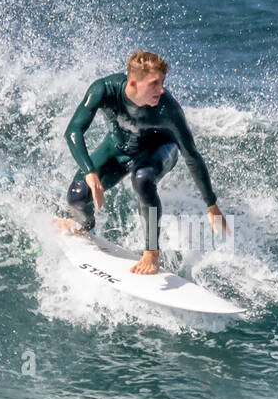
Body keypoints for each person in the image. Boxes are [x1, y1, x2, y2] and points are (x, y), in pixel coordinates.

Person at [54, 51, 230, 275]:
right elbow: (73, 130)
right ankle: (84, 227)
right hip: (119, 147)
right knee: (77, 196)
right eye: (155, 84)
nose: (162, 90)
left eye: (163, 82)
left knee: (143, 179)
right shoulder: (104, 90)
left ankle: (152, 253)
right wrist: (90, 172)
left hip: (158, 149)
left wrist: (211, 203)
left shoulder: (168, 109)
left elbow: (191, 155)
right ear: (133, 82)